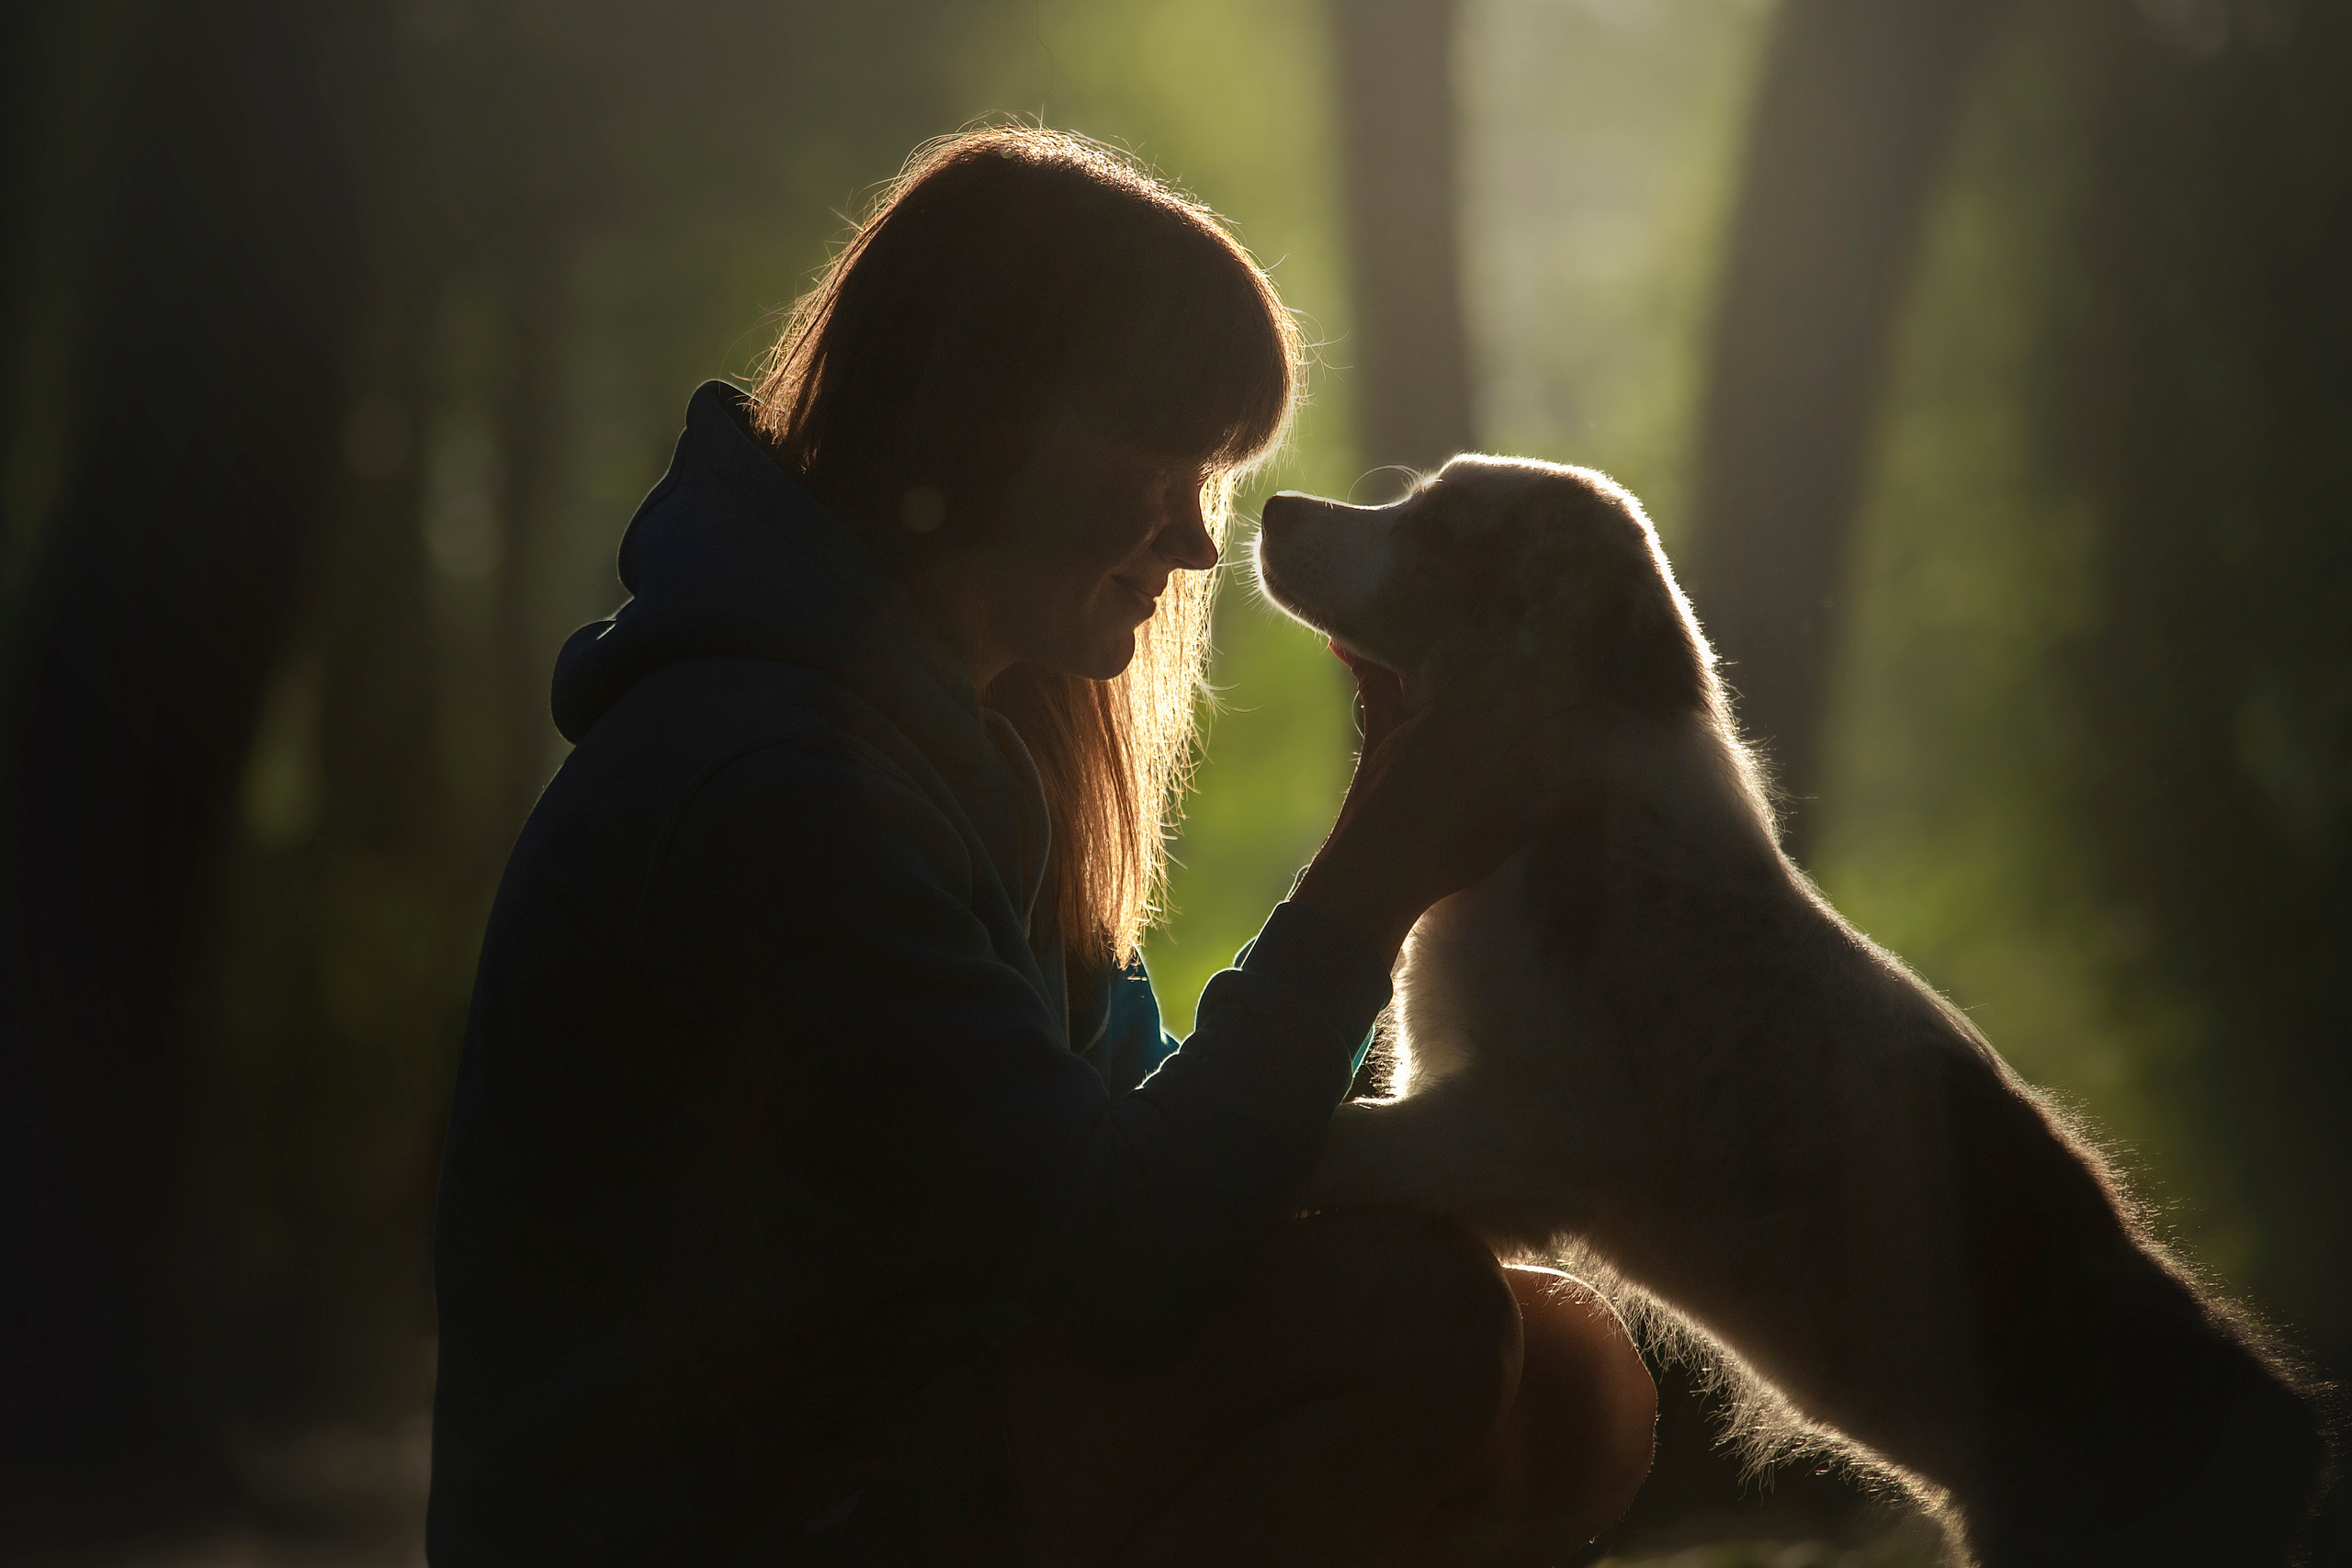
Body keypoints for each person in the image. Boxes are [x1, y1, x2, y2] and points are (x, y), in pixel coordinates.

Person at [426, 126, 1656, 1567]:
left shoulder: (975, 751)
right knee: (1407, 1323)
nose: (1198, 546)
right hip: (699, 1514)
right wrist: (1369, 887)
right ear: (979, 415)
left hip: (873, 1446)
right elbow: (1118, 1251)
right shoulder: (772, 789)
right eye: (1160, 462)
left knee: (1567, 1373)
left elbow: (1135, 1161)